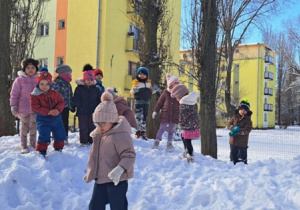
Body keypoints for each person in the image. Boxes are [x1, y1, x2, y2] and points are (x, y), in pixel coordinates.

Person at [84, 91, 136, 210]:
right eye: (97, 123)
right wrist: (91, 173)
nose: (99, 126)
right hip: (101, 179)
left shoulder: (120, 135)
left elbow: (129, 155)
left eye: (102, 123)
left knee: (118, 206)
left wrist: (120, 169)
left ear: (112, 120)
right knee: (95, 206)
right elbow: (95, 157)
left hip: (117, 180)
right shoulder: (99, 135)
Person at [30, 68, 66, 156]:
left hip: (56, 118)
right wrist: (48, 111)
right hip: (43, 119)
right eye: (41, 84)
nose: (44, 86)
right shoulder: (35, 95)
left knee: (60, 133)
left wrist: (57, 110)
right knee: (44, 134)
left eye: (47, 84)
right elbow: (35, 107)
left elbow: (61, 102)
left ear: (50, 84)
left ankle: (59, 148)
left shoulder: (55, 93)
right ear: (38, 84)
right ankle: (42, 150)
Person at [10, 58, 39, 154]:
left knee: (33, 126)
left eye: (33, 67)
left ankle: (33, 144)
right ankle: (23, 145)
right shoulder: (19, 80)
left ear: (36, 68)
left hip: (35, 108)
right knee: (24, 126)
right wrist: (14, 105)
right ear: (24, 69)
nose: (30, 69)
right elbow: (14, 94)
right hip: (23, 108)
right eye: (28, 67)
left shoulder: (38, 80)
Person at [72, 64, 101, 146]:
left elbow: (99, 100)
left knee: (92, 127)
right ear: (84, 80)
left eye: (91, 80)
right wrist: (79, 105)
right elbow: (76, 98)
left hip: (93, 112)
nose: (89, 81)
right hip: (82, 112)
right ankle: (83, 141)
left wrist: (98, 108)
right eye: (87, 79)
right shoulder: (79, 88)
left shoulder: (96, 89)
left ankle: (92, 141)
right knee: (83, 127)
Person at [170, 84, 200, 163]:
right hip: (193, 123)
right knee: (185, 137)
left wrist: (180, 122)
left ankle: (190, 154)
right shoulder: (192, 101)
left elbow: (182, 115)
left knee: (187, 140)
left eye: (176, 97)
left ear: (180, 96)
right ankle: (186, 151)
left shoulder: (183, 103)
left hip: (187, 124)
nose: (176, 99)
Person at [152, 73, 180, 151]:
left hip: (174, 114)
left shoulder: (178, 93)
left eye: (178, 83)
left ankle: (169, 144)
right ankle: (156, 142)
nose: (178, 84)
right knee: (162, 128)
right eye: (176, 83)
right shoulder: (165, 93)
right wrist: (155, 111)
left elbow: (181, 104)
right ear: (171, 84)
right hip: (165, 114)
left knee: (171, 130)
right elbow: (159, 103)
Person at [52, 64, 74, 145]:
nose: (71, 76)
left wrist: (71, 105)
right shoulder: (56, 83)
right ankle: (57, 138)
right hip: (58, 107)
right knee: (58, 122)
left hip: (66, 107)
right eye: (69, 74)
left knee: (65, 122)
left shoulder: (67, 84)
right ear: (63, 74)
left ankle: (65, 137)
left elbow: (70, 95)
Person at [227, 98, 253, 165]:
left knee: (242, 158)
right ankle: (232, 165)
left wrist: (238, 130)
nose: (242, 111)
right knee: (233, 157)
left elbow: (248, 129)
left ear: (247, 111)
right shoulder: (234, 117)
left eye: (244, 110)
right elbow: (229, 124)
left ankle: (243, 168)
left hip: (242, 143)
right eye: (241, 109)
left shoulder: (248, 120)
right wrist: (232, 128)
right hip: (233, 141)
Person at [130, 67, 153, 140]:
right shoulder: (136, 83)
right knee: (139, 116)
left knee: (145, 117)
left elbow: (151, 91)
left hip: (146, 101)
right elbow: (131, 91)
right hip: (139, 101)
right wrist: (134, 90)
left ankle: (143, 131)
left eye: (143, 74)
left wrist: (154, 90)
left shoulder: (148, 83)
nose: (141, 75)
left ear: (146, 75)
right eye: (140, 74)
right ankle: (138, 132)